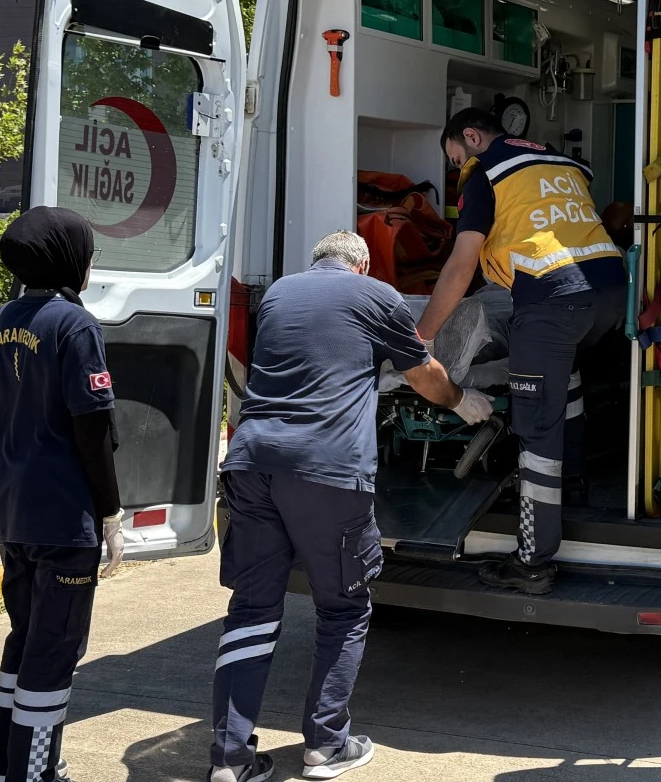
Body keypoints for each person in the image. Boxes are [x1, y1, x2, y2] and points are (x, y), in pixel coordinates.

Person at [209, 231, 491, 782]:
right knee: (342, 607)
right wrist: (461, 399)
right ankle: (326, 744)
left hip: (252, 461)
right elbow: (420, 373)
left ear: (317, 262)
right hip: (328, 469)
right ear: (361, 265)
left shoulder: (280, 294)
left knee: (250, 611)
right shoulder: (377, 294)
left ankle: (229, 758)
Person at [417, 108, 627, 596]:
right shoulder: (554, 163)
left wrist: (423, 337)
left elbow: (461, 264)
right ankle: (573, 488)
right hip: (610, 292)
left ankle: (532, 561)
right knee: (563, 379)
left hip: (552, 301)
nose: (457, 168)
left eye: (455, 158)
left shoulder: (485, 173)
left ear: (472, 137)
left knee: (536, 427)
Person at [0, 206, 124, 782]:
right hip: (64, 518)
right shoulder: (76, 325)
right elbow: (92, 429)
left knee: (25, 638)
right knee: (55, 650)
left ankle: (5, 765)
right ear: (68, 259)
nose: (91, 264)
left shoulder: (4, 317)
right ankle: (32, 774)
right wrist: (110, 513)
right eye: (89, 253)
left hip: (11, 511)